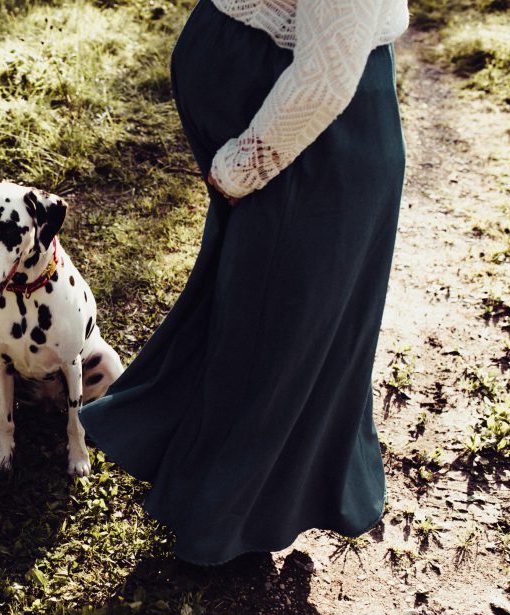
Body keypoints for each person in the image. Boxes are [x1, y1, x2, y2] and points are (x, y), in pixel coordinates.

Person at [76, 0, 411, 566]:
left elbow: (325, 78)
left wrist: (241, 166)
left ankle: (228, 524)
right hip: (285, 144)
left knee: (273, 344)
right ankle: (201, 487)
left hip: (312, 149)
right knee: (245, 320)